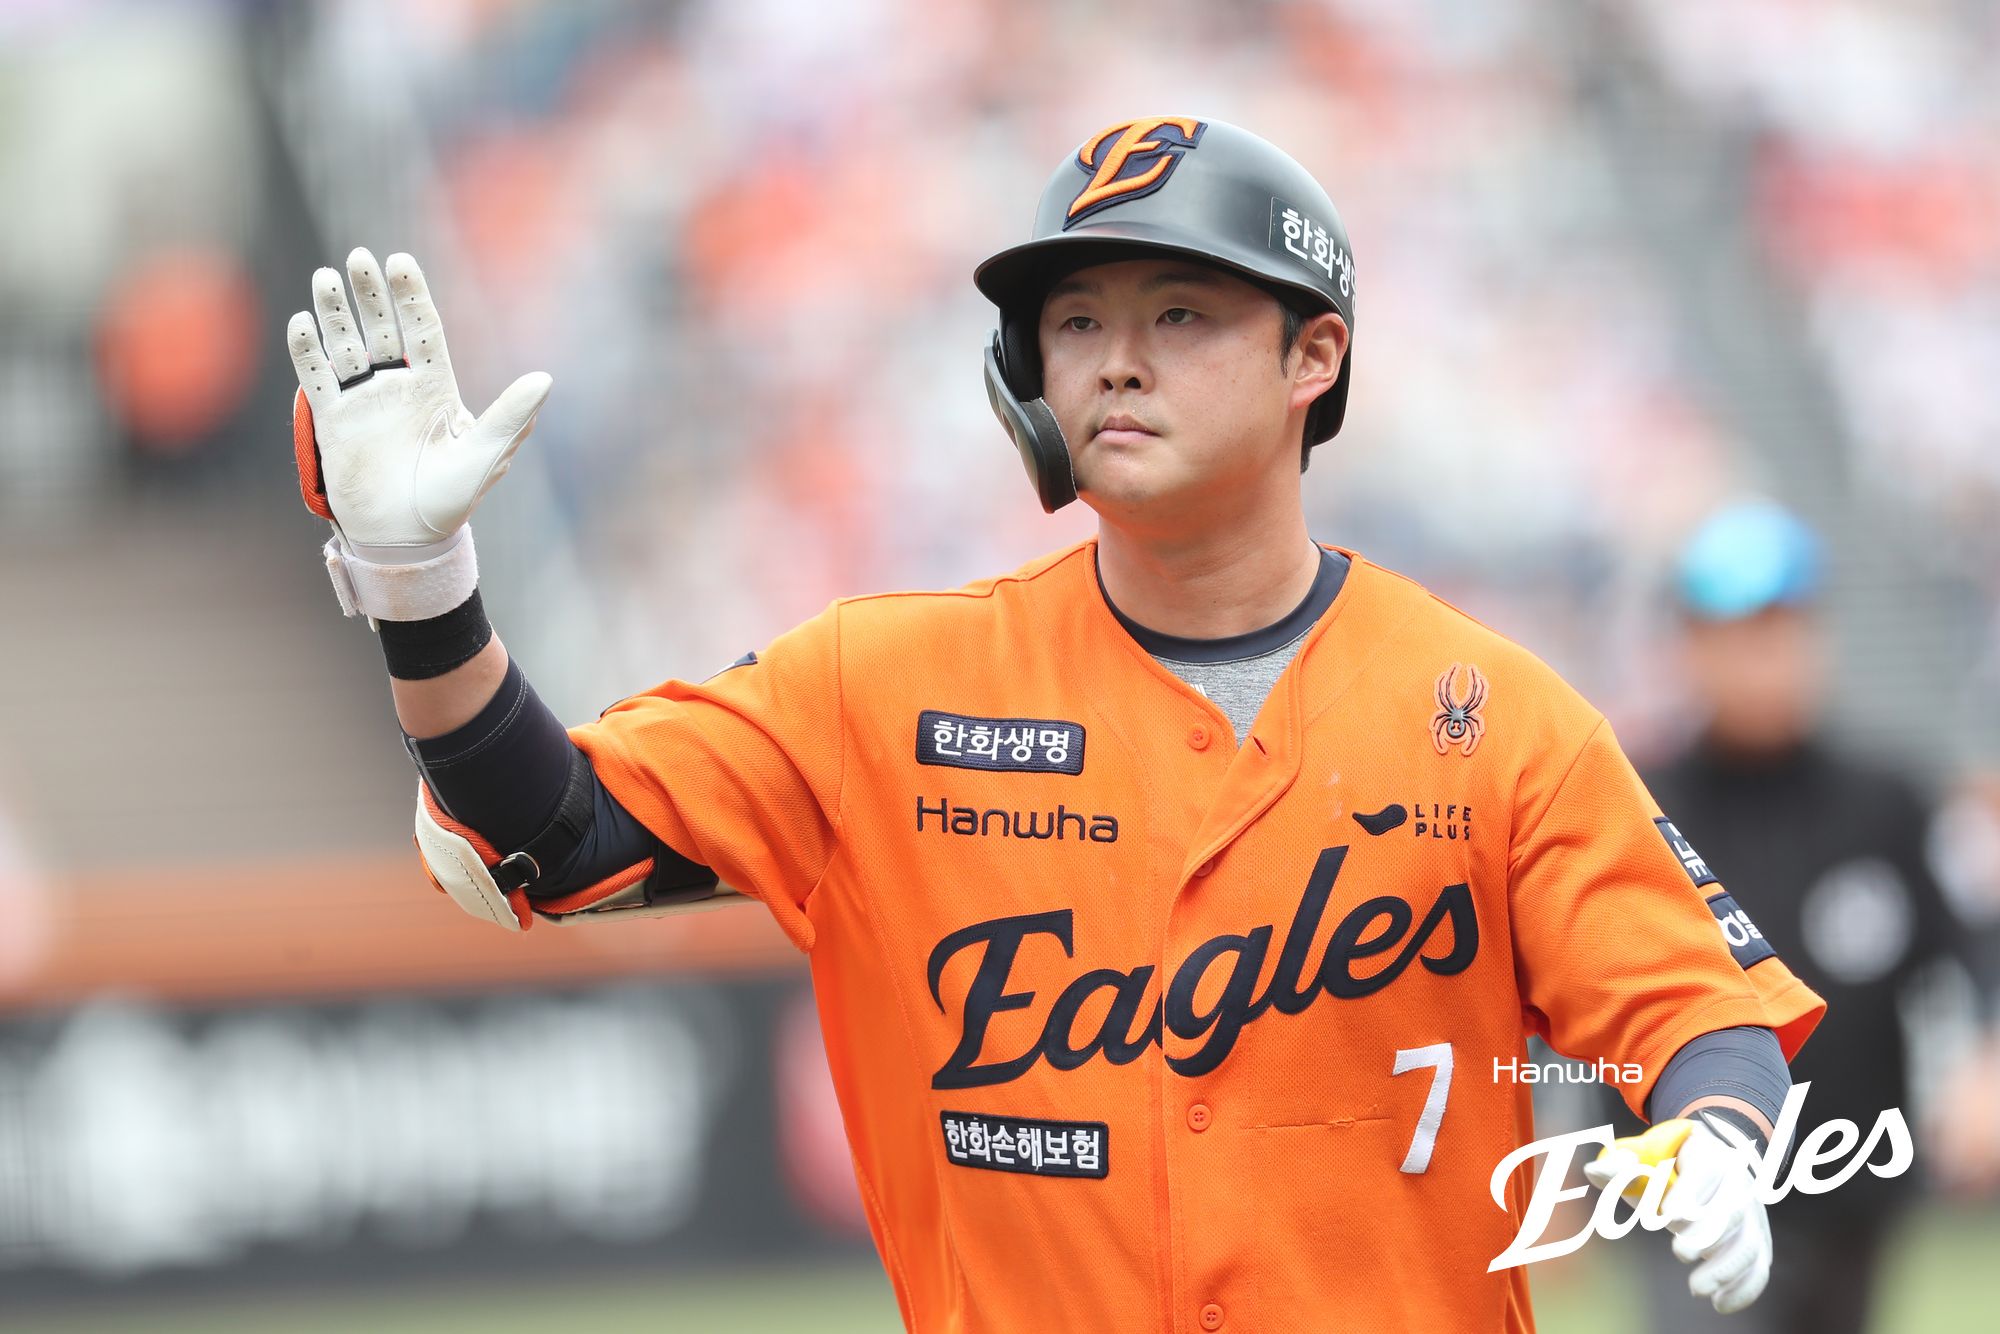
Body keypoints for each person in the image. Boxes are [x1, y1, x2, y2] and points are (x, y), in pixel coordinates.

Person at [285, 118, 1825, 1333]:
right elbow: (542, 836)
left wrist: (1716, 1139)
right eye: (1075, 321)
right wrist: (423, 589)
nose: (1115, 358)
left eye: (1180, 311)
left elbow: (1702, 1011)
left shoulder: (1490, 711)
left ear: (1314, 356)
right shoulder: (881, 686)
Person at [1607, 500, 1997, 1334]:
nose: (1761, 661)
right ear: (1690, 647)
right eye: (1735, 635)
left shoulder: (1886, 801)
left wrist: (1984, 1060)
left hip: (1849, 1187)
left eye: (1780, 632)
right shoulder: (1637, 803)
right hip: (1688, 1192)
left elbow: (1971, 946)